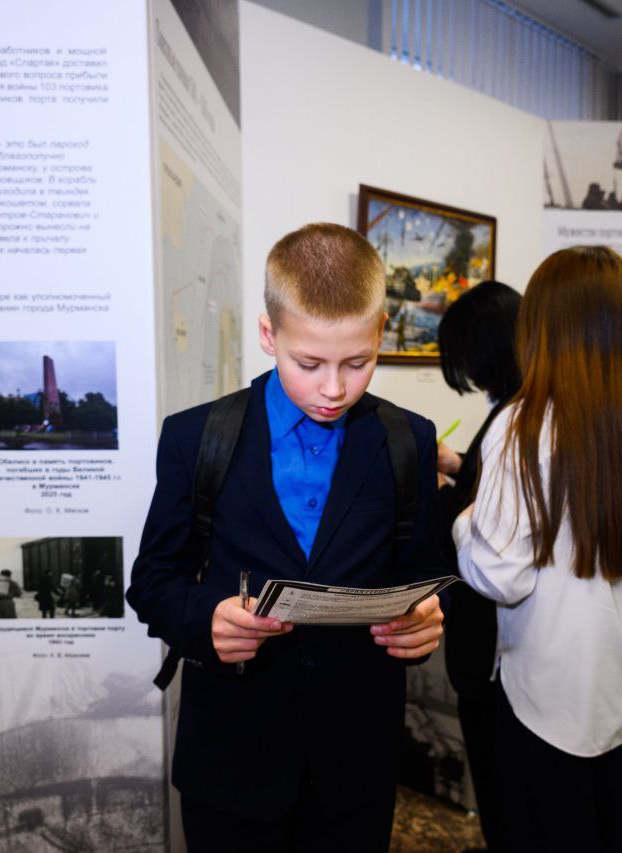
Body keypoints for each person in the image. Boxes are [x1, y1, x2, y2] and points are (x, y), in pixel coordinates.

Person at [127, 222, 445, 852]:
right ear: (269, 335)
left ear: (381, 331)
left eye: (358, 363)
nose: (334, 388)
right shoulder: (198, 438)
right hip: (231, 761)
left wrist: (427, 622)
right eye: (309, 363)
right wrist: (205, 618)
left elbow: (425, 577)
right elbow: (152, 583)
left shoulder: (409, 440)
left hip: (355, 767)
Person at [455, 246, 622, 850]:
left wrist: (466, 522)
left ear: (540, 325)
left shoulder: (521, 423)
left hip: (546, 699)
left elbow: (499, 576)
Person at [434, 279, 523, 851]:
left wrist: (440, 494)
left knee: (497, 765)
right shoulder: (519, 408)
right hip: (494, 633)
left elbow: (490, 525)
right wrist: (458, 464)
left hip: (490, 631)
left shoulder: (514, 418)